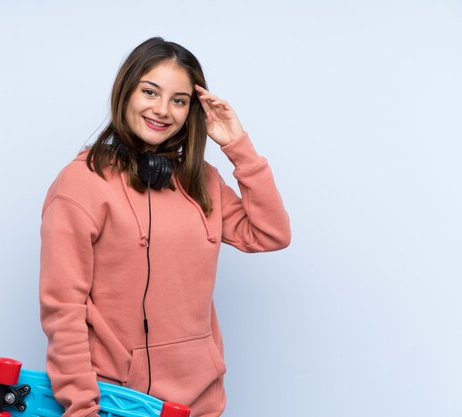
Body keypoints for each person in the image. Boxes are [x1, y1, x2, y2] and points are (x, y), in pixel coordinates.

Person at [39, 37, 291, 417]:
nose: (162, 110)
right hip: (119, 402)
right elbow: (64, 307)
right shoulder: (82, 183)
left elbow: (271, 233)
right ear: (126, 92)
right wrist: (81, 406)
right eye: (150, 92)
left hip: (201, 402)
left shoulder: (200, 180)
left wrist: (237, 145)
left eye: (178, 100)